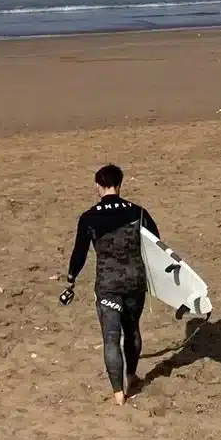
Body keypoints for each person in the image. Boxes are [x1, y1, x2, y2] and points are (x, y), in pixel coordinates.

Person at [59, 164, 161, 404]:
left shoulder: (89, 217)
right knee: (132, 329)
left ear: (98, 185)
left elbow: (80, 253)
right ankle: (132, 375)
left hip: (108, 284)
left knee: (111, 338)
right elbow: (156, 243)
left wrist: (71, 279)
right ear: (120, 184)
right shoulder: (138, 212)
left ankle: (118, 394)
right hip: (135, 281)